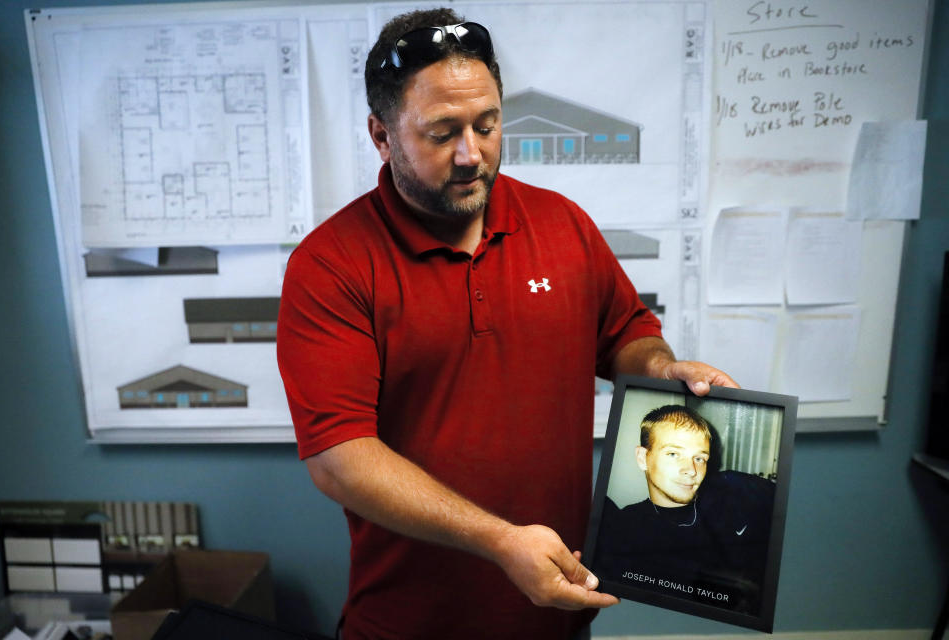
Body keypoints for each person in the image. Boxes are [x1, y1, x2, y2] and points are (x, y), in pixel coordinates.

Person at [276, 8, 736, 639]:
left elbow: (625, 332)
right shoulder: (331, 265)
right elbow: (339, 458)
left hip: (555, 614)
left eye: (487, 126)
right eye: (442, 133)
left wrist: (660, 366)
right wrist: (499, 539)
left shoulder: (561, 224)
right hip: (409, 623)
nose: (472, 155)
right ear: (381, 136)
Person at [593, 405, 774, 615]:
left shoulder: (732, 493)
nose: (691, 470)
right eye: (673, 454)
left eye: (699, 458)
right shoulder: (626, 527)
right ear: (643, 458)